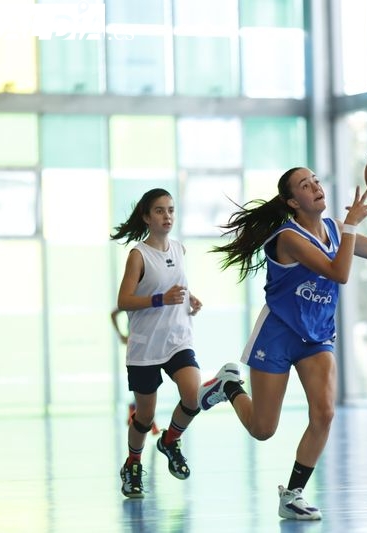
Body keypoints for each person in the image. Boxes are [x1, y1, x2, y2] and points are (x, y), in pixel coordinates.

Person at [198, 167, 367, 520]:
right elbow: (339, 272)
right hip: (278, 333)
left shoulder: (335, 230)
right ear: (293, 201)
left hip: (317, 334)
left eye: (316, 181)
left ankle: (292, 494)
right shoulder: (288, 237)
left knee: (324, 413)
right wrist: (353, 226)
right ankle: (230, 386)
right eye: (304, 185)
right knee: (263, 430)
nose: (315, 186)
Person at [110, 189, 205, 498]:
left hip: (178, 339)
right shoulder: (138, 255)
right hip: (145, 346)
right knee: (145, 417)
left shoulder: (179, 249)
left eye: (171, 210)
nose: (167, 216)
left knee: (193, 397)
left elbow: (176, 283)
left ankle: (169, 441)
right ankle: (133, 464)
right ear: (147, 217)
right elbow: (124, 300)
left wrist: (189, 298)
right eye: (160, 211)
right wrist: (160, 300)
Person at [110, 307, 160, 435]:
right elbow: (113, 313)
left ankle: (135, 408)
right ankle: (145, 418)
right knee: (146, 385)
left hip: (151, 345)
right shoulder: (133, 301)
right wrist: (122, 336)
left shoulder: (152, 300)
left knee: (150, 385)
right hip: (137, 347)